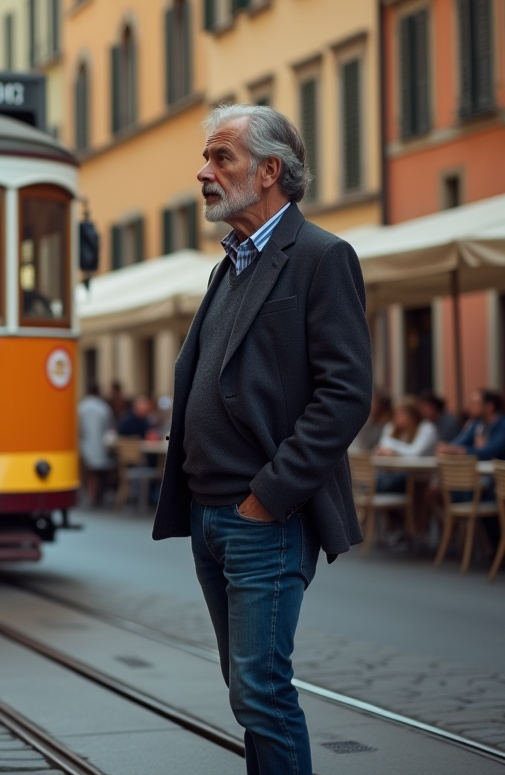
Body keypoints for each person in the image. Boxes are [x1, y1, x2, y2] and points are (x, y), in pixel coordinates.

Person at [153, 104, 371, 775]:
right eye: (207, 158)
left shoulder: (320, 257)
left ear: (270, 171)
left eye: (222, 158)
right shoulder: (231, 266)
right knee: (248, 691)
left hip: (262, 520)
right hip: (212, 518)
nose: (204, 172)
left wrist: (268, 497)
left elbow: (346, 394)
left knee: (260, 691)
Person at [437, 389, 505, 460]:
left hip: (504, 476)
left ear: (489, 407)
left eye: (474, 404)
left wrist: (459, 451)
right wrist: (448, 448)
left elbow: (490, 452)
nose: (470, 407)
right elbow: (460, 442)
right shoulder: (477, 424)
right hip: (483, 474)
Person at [77, 383, 116, 506]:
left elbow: (77, 427)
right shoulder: (103, 407)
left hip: (84, 444)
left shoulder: (81, 407)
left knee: (88, 472)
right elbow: (109, 427)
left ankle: (89, 495)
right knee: (97, 473)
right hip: (100, 445)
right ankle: (95, 495)